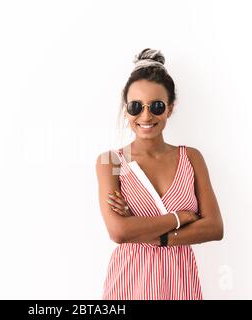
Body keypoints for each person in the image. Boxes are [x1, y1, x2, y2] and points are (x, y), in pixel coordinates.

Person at [95, 48, 224, 300]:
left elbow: (215, 227)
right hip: (130, 283)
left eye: (156, 105)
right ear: (126, 110)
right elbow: (119, 231)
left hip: (180, 281)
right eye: (135, 106)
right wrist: (182, 217)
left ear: (170, 108)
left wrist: (157, 237)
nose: (146, 115)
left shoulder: (191, 158)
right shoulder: (111, 161)